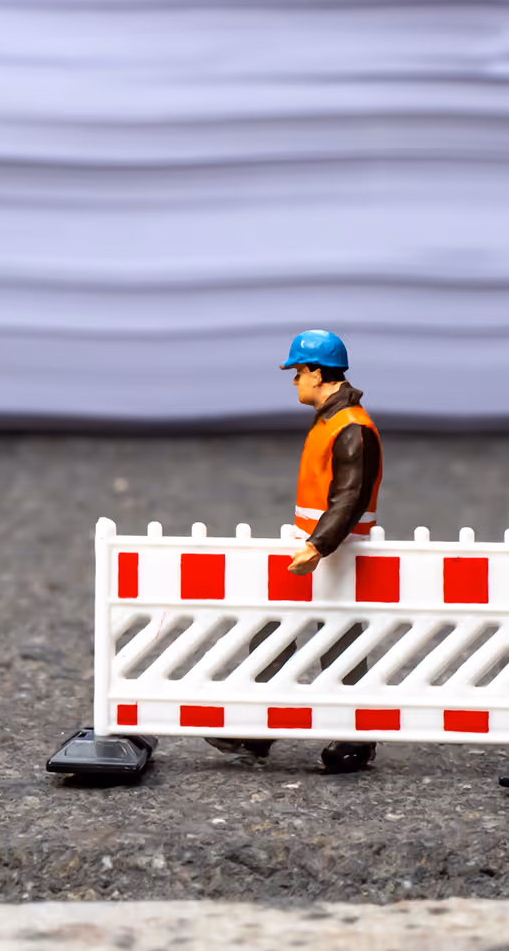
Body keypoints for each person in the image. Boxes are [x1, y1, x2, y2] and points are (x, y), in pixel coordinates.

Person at [208, 328, 385, 774]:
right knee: (275, 625)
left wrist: (318, 545)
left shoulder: (352, 429)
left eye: (298, 373)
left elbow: (350, 497)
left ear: (317, 373)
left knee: (340, 637)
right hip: (314, 546)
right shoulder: (330, 419)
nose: (294, 382)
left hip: (340, 551)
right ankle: (258, 726)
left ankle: (355, 737)